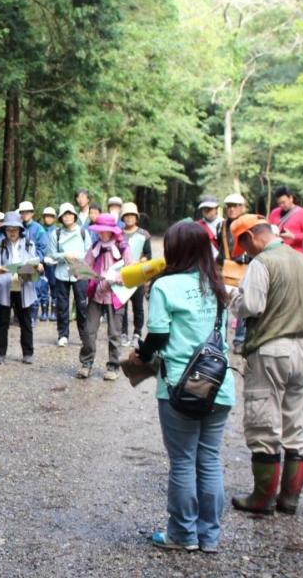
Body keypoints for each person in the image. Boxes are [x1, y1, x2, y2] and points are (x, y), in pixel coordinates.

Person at [128, 221, 235, 552]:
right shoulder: (218, 285)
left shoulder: (164, 287)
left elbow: (158, 336)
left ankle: (182, 534)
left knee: (184, 461)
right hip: (219, 384)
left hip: (181, 386)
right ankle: (209, 537)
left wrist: (139, 357)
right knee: (210, 460)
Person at [228, 214, 303, 515]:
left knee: (264, 423)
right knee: (296, 423)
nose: (245, 252)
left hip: (271, 349)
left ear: (251, 237)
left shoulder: (262, 264)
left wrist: (232, 298)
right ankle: (289, 499)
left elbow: (251, 305)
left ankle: (262, 499)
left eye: (243, 245)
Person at [78, 214, 132, 381]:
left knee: (114, 333)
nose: (101, 234)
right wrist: (77, 268)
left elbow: (130, 272)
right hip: (97, 293)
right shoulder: (95, 246)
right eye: (99, 231)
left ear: (112, 232)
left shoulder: (123, 247)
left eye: (105, 231)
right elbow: (85, 265)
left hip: (115, 295)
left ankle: (113, 366)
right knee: (88, 330)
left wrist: (116, 278)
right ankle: (86, 363)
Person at [0, 212, 41, 364]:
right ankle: (0, 353)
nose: (12, 232)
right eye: (8, 229)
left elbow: (34, 264)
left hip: (24, 285)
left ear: (20, 230)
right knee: (3, 322)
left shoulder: (28, 244)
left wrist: (38, 267)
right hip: (5, 286)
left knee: (25, 321)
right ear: (4, 230)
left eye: (15, 229)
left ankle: (28, 353)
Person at [47, 203, 92, 348]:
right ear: (60, 217)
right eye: (64, 214)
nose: (67, 217)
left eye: (69, 214)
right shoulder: (56, 233)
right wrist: (64, 256)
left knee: (82, 304)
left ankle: (84, 335)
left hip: (79, 271)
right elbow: (52, 254)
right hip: (61, 272)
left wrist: (77, 257)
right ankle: (63, 335)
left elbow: (89, 253)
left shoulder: (83, 232)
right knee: (62, 305)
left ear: (75, 216)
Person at [219, 193, 250, 353]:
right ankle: (221, 339)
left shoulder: (248, 224)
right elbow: (219, 249)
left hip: (245, 271)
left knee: (242, 307)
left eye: (235, 206)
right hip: (226, 272)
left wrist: (245, 257)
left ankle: (240, 340)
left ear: (242, 208)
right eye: (229, 206)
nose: (231, 209)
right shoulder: (222, 226)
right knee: (221, 307)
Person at [119, 202, 152, 347]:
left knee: (138, 306)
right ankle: (123, 332)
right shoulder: (118, 234)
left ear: (136, 217)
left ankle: (137, 333)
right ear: (123, 218)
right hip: (122, 275)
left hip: (138, 275)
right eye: (127, 216)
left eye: (132, 215)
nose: (129, 218)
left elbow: (148, 255)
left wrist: (137, 262)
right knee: (122, 306)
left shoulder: (144, 234)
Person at [17, 201, 47, 323]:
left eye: (27, 212)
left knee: (34, 289)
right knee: (20, 289)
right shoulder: (18, 227)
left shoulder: (39, 229)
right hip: (20, 264)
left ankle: (33, 316)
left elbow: (43, 248)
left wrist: (35, 261)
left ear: (32, 213)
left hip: (34, 264)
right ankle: (22, 316)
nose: (25, 214)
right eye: (22, 212)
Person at [269, 186, 303, 254]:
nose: (281, 205)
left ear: (291, 198)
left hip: (296, 255)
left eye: (283, 202)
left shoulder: (302, 214)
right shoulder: (274, 213)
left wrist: (293, 236)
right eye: (279, 203)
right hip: (277, 253)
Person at [38, 207, 58, 321]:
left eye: (51, 216)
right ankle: (44, 311)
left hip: (54, 263)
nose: (48, 218)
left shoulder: (58, 230)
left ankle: (53, 312)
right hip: (43, 262)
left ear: (54, 218)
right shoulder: (40, 229)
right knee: (43, 286)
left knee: (54, 287)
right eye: (46, 216)